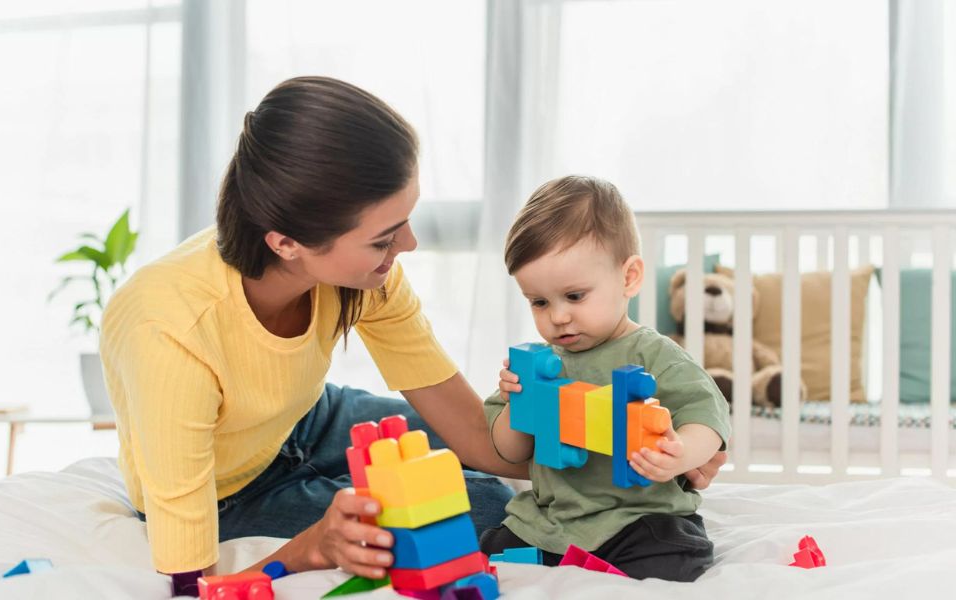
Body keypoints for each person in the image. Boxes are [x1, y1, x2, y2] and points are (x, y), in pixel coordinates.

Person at [99, 77, 725, 593]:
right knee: (479, 519)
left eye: (405, 220)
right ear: (287, 244)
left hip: (309, 420)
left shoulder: (366, 277)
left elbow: (482, 439)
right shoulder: (169, 332)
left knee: (509, 492)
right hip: (224, 490)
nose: (409, 246)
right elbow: (187, 584)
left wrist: (660, 450)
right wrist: (307, 549)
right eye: (383, 237)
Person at [482, 175, 732, 582]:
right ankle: (562, 565)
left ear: (629, 277)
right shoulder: (538, 363)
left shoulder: (654, 354)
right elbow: (509, 450)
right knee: (492, 551)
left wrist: (682, 453)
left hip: (637, 517)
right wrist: (516, 404)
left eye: (575, 296)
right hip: (552, 523)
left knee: (673, 553)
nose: (558, 316)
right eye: (539, 302)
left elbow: (708, 415)